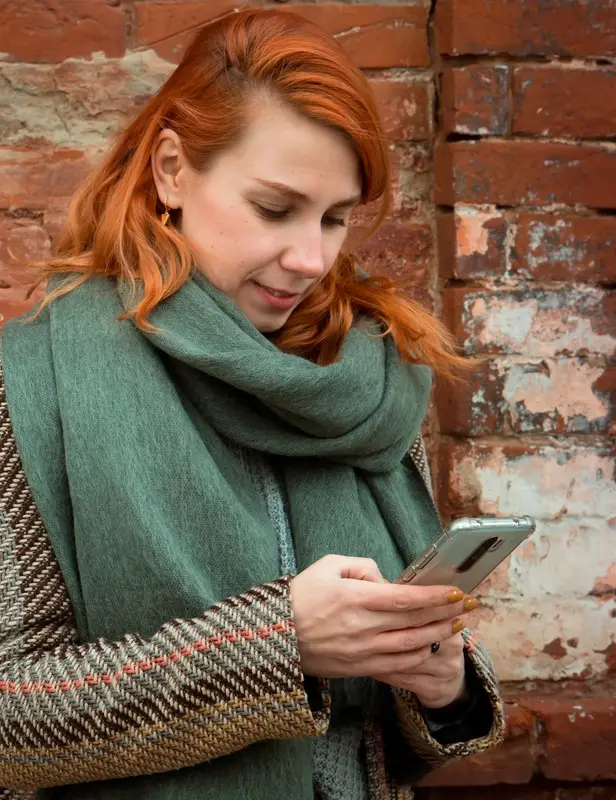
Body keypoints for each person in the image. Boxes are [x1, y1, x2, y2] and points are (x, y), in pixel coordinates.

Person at [0, 8, 504, 800]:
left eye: (336, 219)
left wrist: (442, 686)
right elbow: (11, 725)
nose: (311, 258)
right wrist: (279, 647)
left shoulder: (358, 375)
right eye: (275, 208)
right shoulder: (34, 383)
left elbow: (388, 742)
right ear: (172, 170)